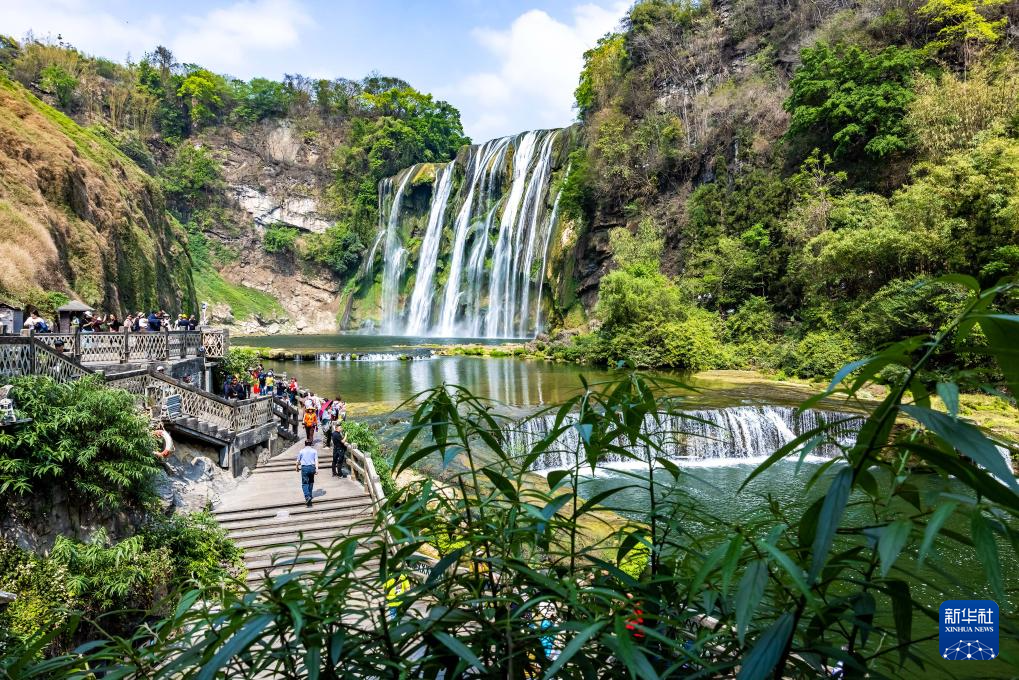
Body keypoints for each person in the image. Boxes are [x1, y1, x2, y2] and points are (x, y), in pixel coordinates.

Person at [295, 442, 318, 507]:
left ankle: (307, 497)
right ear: (311, 444)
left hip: (304, 468)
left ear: (305, 444)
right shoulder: (314, 451)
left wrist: (297, 468)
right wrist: (317, 469)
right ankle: (310, 495)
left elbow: (297, 461)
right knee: (311, 482)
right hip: (312, 467)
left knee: (305, 483)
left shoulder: (301, 451)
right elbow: (316, 460)